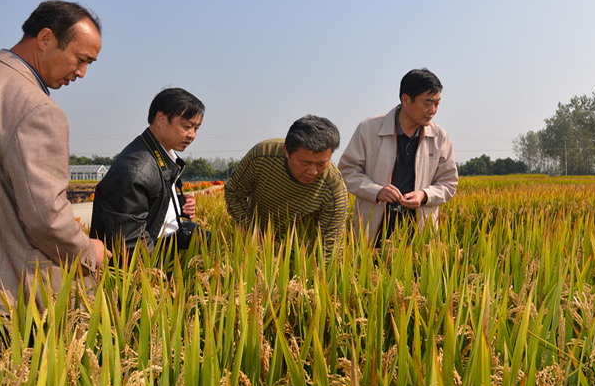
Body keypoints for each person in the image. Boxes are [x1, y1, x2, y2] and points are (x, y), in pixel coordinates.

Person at [0, 0, 109, 314]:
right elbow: (46, 219)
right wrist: (89, 252)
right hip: (0, 302)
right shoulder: (36, 110)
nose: (82, 73)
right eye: (81, 59)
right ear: (45, 38)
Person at [338, 68, 458, 243]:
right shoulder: (369, 129)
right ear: (406, 100)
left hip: (419, 231)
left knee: (417, 261)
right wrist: (376, 191)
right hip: (373, 228)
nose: (432, 110)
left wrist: (424, 195)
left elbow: (449, 183)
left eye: (437, 104)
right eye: (427, 103)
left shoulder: (440, 138)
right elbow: (347, 171)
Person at [90, 88, 206, 254]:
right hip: (145, 260)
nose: (192, 135)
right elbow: (130, 243)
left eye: (196, 129)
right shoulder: (136, 170)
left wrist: (179, 205)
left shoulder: (161, 156)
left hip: (160, 246)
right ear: (161, 119)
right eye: (187, 126)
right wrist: (157, 269)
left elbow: (148, 207)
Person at [224, 115, 348, 259]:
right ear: (287, 151)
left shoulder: (334, 187)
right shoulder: (261, 156)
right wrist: (253, 233)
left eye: (321, 164)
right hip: (253, 245)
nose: (313, 171)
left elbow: (329, 248)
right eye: (306, 163)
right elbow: (234, 193)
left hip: (301, 251)